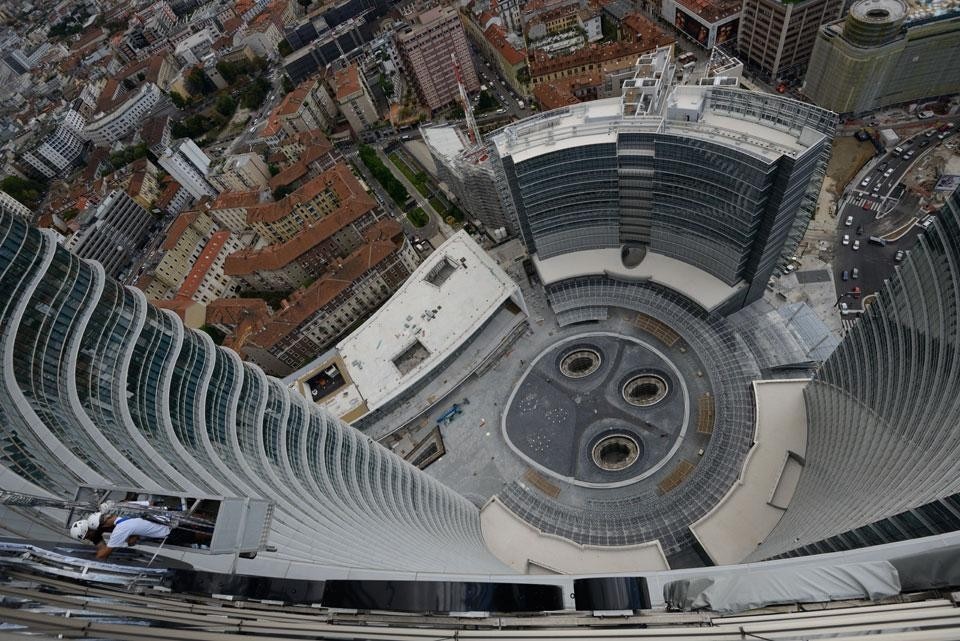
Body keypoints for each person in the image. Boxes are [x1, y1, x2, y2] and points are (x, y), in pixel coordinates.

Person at [69, 511, 209, 560]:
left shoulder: (120, 529)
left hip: (165, 529)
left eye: (87, 536)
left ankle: (210, 534)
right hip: (162, 522)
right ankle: (208, 528)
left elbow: (103, 554)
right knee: (193, 530)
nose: (89, 539)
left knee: (196, 535)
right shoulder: (114, 521)